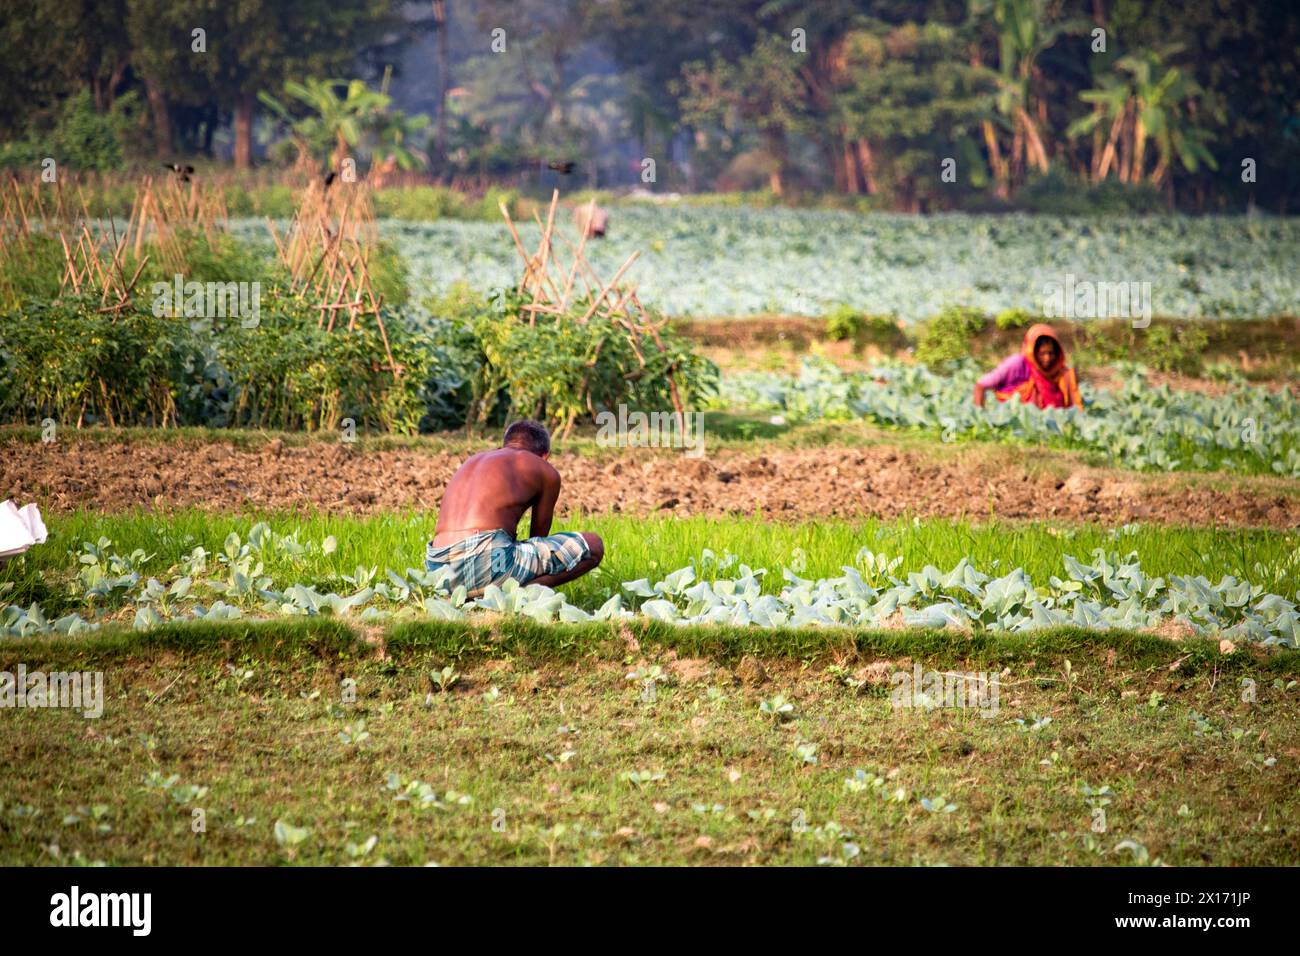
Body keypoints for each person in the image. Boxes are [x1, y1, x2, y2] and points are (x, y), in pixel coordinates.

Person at [425, 420, 604, 596]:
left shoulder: (473, 461)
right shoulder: (543, 468)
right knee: (594, 545)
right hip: (485, 561)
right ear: (545, 455)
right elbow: (538, 539)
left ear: (504, 445)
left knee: (503, 552)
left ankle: (468, 596)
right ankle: (518, 595)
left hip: (438, 569)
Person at [973, 323, 1083, 410]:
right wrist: (980, 417)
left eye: (1051, 353)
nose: (1047, 359)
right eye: (1042, 354)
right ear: (1032, 352)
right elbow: (980, 385)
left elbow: (1072, 404)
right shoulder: (1017, 364)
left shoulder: (1060, 373)